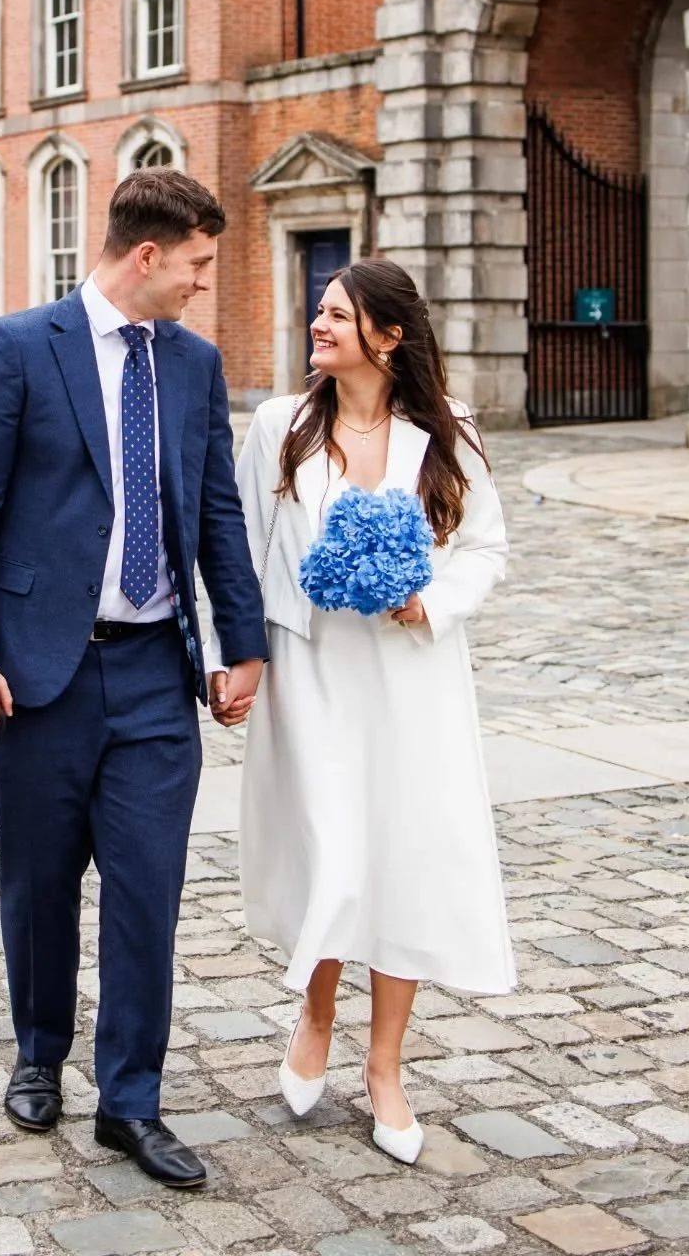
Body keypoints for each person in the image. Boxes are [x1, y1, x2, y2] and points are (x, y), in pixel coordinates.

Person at [0, 168, 268, 1188]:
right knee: (39, 883)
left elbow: (217, 511)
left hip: (155, 678)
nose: (205, 284)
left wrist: (242, 642)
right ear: (147, 256)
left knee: (145, 893)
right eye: (200, 265)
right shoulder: (19, 349)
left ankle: (132, 1100)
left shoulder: (196, 366)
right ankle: (40, 1054)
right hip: (41, 679)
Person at [232, 258, 513, 1166]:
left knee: (402, 860)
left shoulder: (448, 432)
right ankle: (314, 1018)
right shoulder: (281, 427)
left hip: (411, 680)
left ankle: (385, 1068)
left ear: (388, 338)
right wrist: (234, 662)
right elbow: (240, 554)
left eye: (339, 317)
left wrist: (427, 601)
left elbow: (484, 549)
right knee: (331, 852)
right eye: (318, 312)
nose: (319, 327)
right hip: (312, 678)